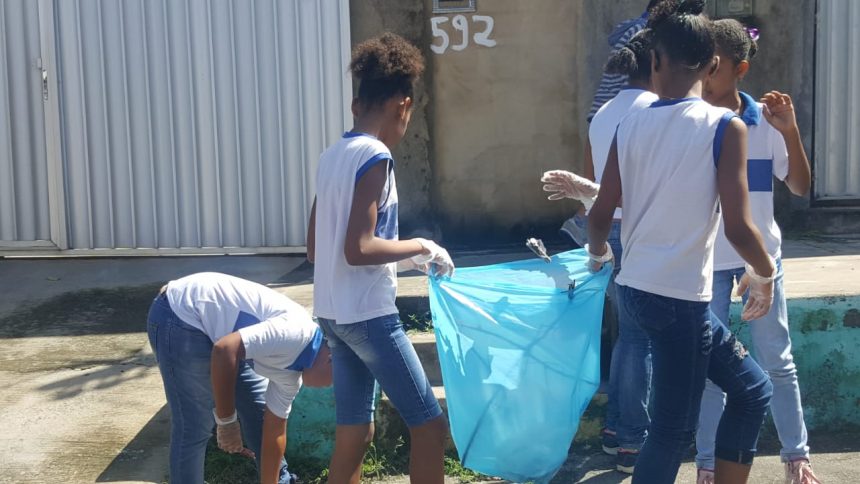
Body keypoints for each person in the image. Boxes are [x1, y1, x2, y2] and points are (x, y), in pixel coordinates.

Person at [587, 1, 776, 482]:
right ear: (714, 64)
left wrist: (599, 253)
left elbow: (601, 211)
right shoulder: (724, 126)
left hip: (637, 292)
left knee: (752, 391)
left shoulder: (630, 123)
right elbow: (738, 226)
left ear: (654, 62)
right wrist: (765, 273)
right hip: (679, 302)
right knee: (671, 432)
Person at [306, 32, 454, 484]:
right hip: (369, 317)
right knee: (430, 426)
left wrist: (405, 260)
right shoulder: (376, 156)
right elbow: (360, 248)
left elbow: (318, 248)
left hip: (333, 314)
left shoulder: (332, 155)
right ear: (402, 106)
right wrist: (421, 246)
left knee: (356, 431)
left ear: (356, 104)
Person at [694, 19, 819, 484]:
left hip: (761, 264)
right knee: (711, 373)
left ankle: (797, 456)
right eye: (700, 66)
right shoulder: (693, 120)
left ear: (740, 68)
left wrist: (789, 132)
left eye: (714, 67)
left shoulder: (765, 122)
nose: (704, 77)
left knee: (778, 361)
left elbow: (801, 186)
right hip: (707, 264)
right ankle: (707, 462)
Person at [542, 28, 658, 474]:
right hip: (637, 229)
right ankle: (631, 438)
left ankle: (616, 431)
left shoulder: (605, 110)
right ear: (656, 65)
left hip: (605, 228)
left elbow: (593, 184)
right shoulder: (653, 111)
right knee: (637, 337)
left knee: (626, 333)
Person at [146, 272, 332, 484]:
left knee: (259, 414)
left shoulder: (291, 378)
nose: (330, 387)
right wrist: (227, 422)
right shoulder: (296, 333)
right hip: (181, 312)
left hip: (227, 338)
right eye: (336, 380)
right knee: (194, 424)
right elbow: (224, 350)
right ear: (331, 359)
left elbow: (274, 432)